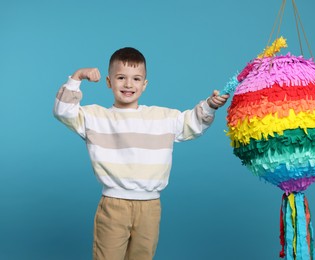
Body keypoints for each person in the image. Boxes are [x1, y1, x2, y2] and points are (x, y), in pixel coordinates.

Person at [53, 47, 230, 260]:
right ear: (109, 82)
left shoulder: (161, 117)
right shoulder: (95, 117)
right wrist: (77, 76)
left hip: (150, 206)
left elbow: (191, 123)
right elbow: (63, 111)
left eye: (136, 79)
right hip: (113, 205)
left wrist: (210, 106)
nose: (129, 84)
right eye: (121, 78)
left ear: (144, 85)